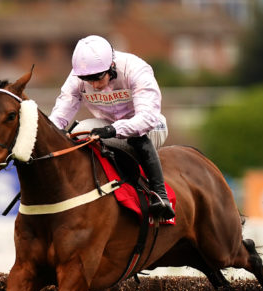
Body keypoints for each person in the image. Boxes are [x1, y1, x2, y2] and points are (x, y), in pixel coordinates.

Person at [49, 35, 175, 220]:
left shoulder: (136, 69)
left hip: (150, 127)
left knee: (136, 136)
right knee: (76, 133)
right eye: (87, 79)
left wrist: (115, 130)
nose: (93, 85)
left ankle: (160, 197)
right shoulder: (77, 79)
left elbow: (147, 118)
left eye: (97, 78)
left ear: (112, 66)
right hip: (108, 127)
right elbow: (59, 117)